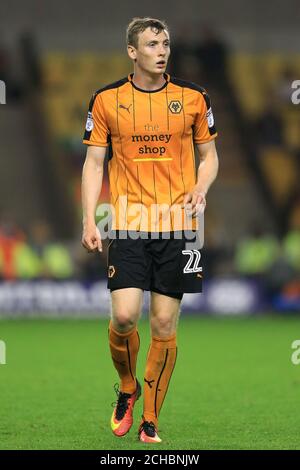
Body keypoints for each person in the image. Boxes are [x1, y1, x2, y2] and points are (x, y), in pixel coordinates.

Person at [81, 17, 219, 444]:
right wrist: (89, 217)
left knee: (163, 324)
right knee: (123, 317)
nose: (162, 51)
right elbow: (93, 163)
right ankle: (127, 386)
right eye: (152, 44)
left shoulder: (194, 98)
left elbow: (210, 156)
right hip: (127, 221)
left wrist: (200, 185)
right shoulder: (106, 100)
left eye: (165, 44)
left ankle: (151, 419)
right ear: (132, 51)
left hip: (181, 226)